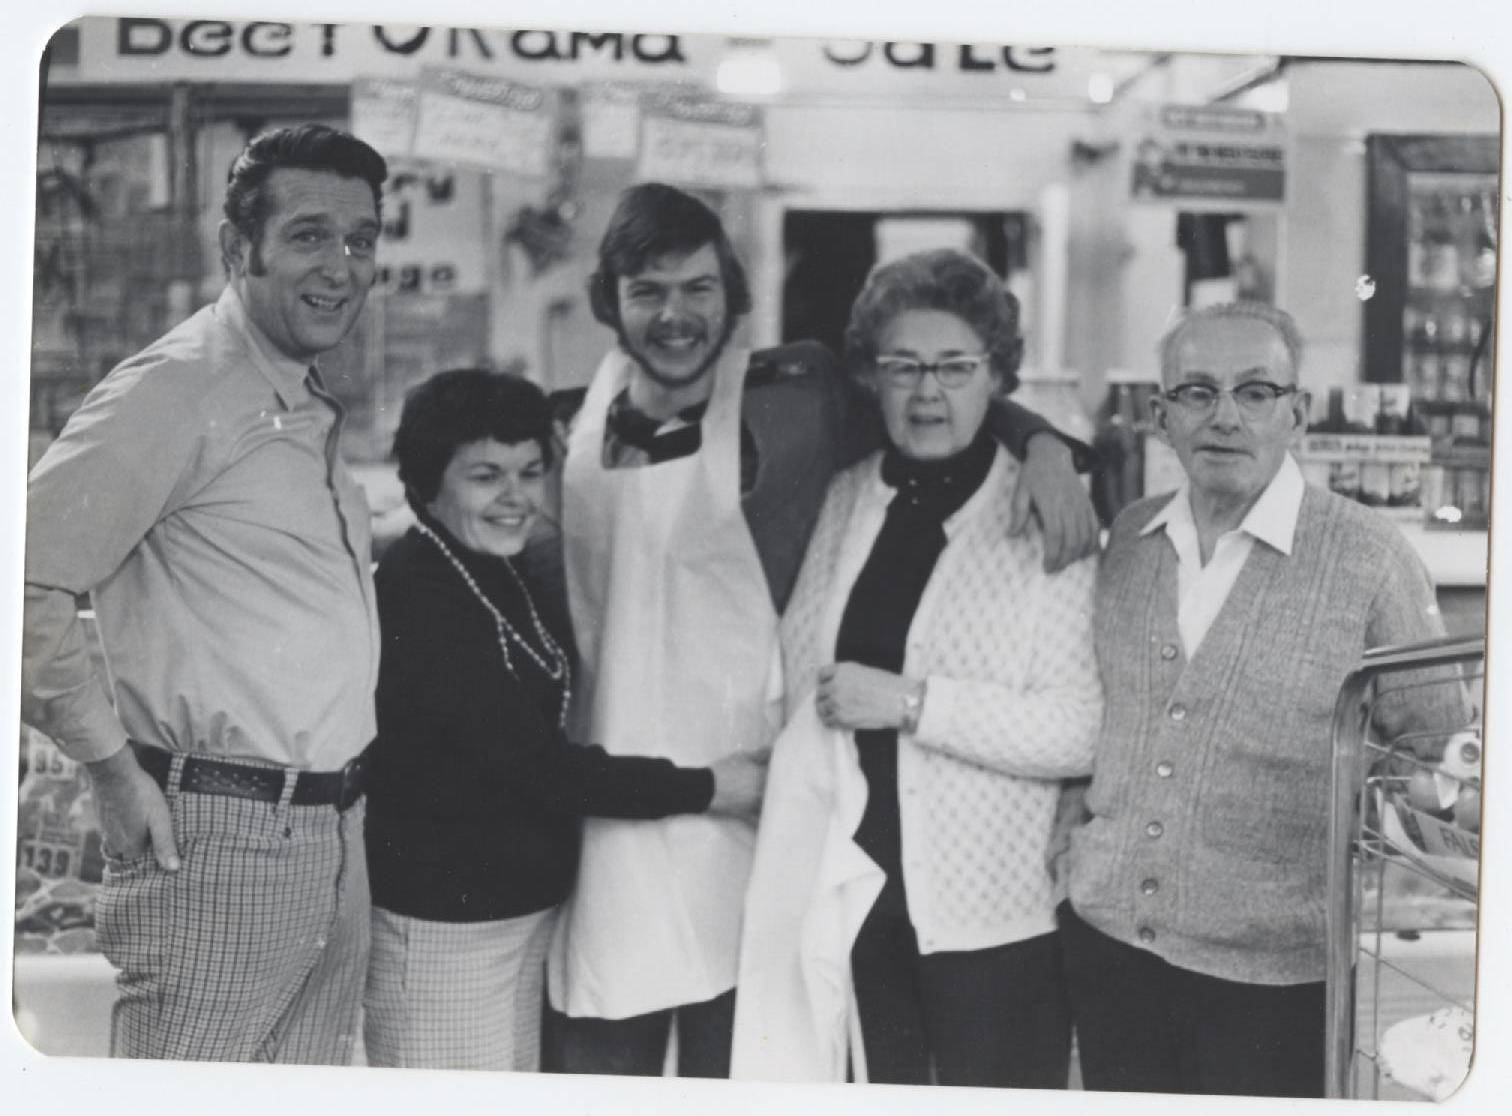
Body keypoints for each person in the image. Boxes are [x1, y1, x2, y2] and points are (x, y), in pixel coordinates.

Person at [547, 182, 1100, 1078]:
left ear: (734, 295)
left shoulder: (790, 402)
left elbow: (958, 393)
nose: (676, 316)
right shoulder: (564, 424)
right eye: (647, 291)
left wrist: (1047, 445)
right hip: (619, 818)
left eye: (698, 289)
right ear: (610, 299)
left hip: (771, 827)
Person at [21, 124, 388, 1063]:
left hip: (332, 832)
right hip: (216, 842)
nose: (341, 265)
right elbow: (22, 578)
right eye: (310, 234)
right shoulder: (177, 388)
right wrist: (108, 767)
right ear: (238, 250)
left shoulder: (299, 399)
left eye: (360, 238)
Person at [1059, 301, 1468, 1097]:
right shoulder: (1130, 545)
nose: (1225, 417)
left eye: (1255, 392)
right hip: (1109, 955)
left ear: (1298, 414)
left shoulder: (1370, 558)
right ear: (1160, 416)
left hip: (1274, 983)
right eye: (1197, 392)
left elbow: (1443, 751)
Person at [731, 249, 1102, 1086]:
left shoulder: (1048, 517)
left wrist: (910, 703)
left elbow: (1080, 729)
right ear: (870, 376)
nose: (927, 392)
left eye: (955, 368)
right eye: (902, 367)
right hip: (850, 902)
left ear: (997, 374)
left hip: (993, 923)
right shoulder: (842, 496)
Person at [362, 368, 768, 1071]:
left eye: (529, 472)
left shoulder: (494, 568)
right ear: (427, 483)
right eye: (486, 476)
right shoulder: (418, 593)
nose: (515, 498)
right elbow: (539, 767)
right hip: (445, 938)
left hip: (514, 923)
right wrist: (711, 787)